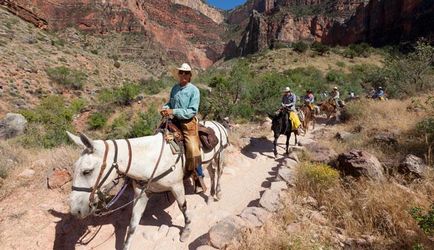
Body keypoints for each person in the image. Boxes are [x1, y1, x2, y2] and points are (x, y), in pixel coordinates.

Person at [161, 63, 206, 193]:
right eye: (181, 72)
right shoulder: (174, 88)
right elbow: (170, 103)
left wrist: (173, 111)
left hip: (188, 123)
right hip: (173, 120)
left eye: (186, 73)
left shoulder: (194, 90)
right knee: (159, 135)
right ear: (178, 74)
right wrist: (165, 108)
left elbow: (192, 111)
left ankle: (198, 176)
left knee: (192, 148)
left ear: (190, 76)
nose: (183, 75)